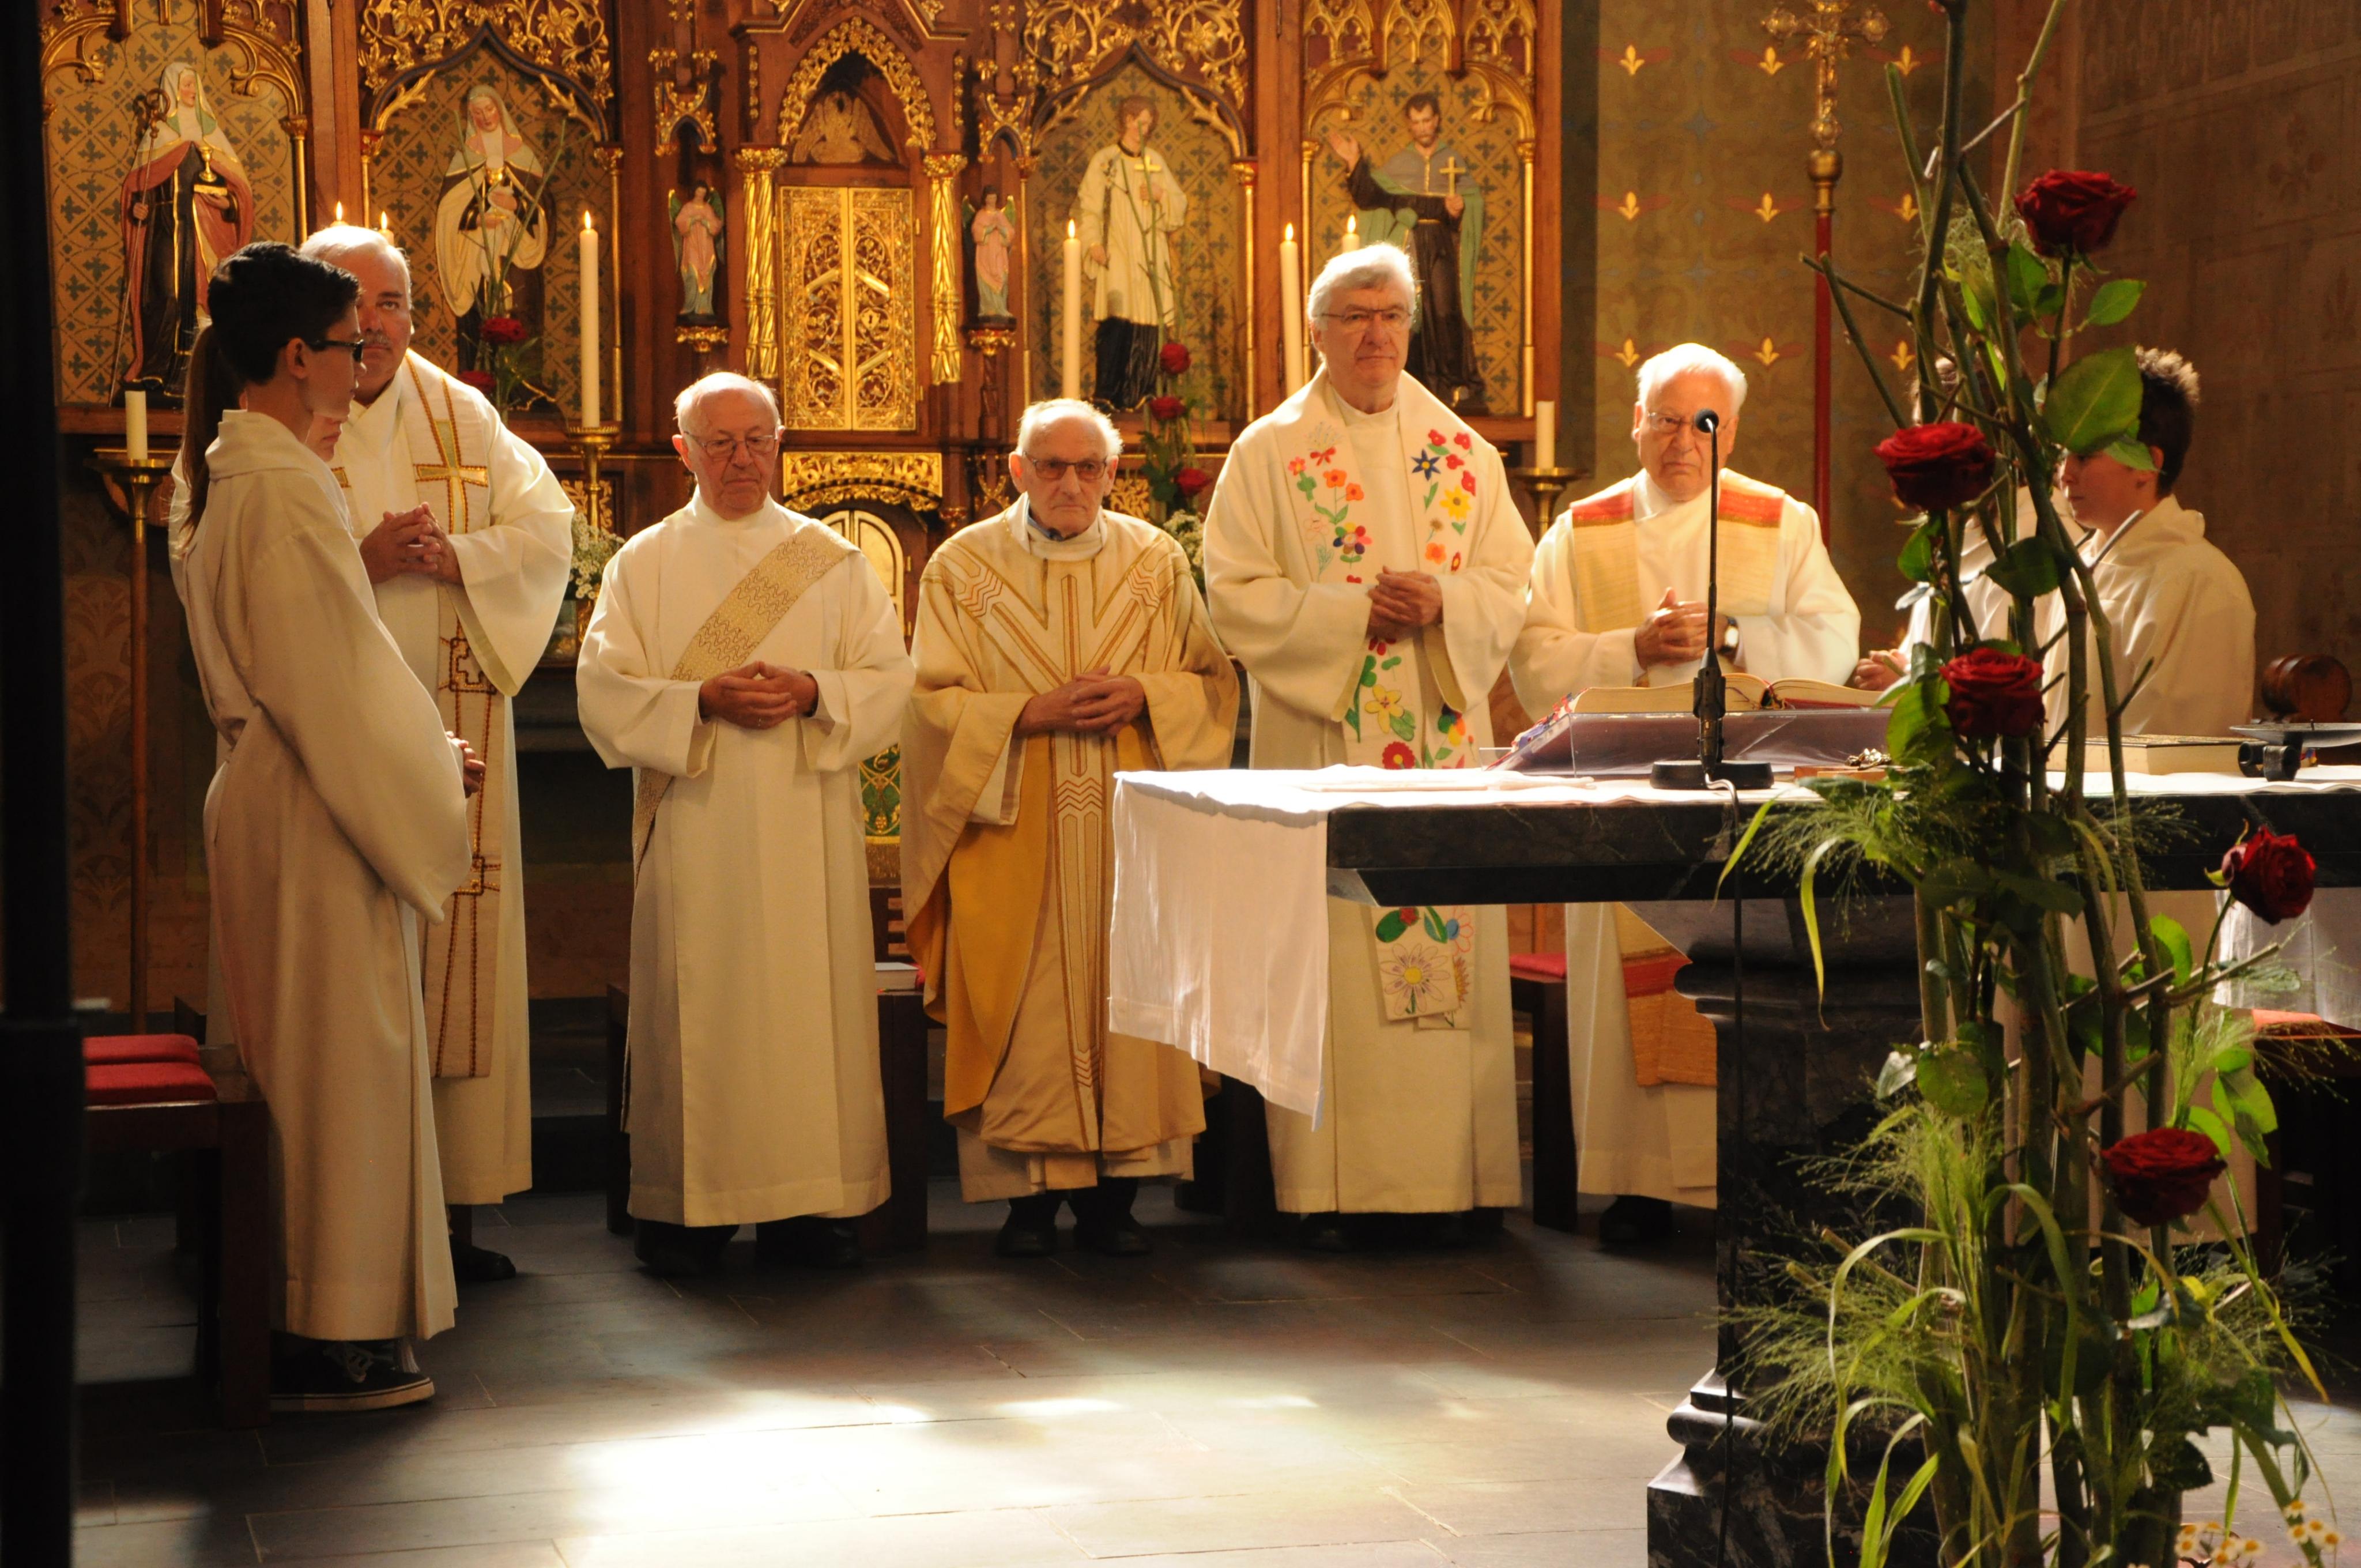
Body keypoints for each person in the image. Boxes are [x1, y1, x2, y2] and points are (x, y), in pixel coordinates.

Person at [175, 242, 476, 1411]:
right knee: (338, 1067)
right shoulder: (288, 487)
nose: (365, 365)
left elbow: (318, 672)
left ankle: (300, 1308)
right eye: (352, 347)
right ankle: (326, 1326)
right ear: (298, 357)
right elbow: (330, 681)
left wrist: (411, 749)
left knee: (298, 1058)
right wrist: (432, 764)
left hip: (284, 786)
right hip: (313, 805)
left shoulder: (234, 471)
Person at [1202, 244, 1532, 1249]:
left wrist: (1447, 603)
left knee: (1444, 945)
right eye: (1353, 316)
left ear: (1410, 327)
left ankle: (1453, 1185)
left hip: (1439, 741)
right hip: (1323, 745)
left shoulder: (1462, 452)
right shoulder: (1269, 452)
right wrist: (1357, 618)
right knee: (1333, 959)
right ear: (1318, 332)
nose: (1375, 334)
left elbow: (1511, 585)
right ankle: (1327, 1190)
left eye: (1390, 314)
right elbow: (1234, 593)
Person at [1508, 343, 1860, 1246]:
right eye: (1665, 420)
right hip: (1620, 794)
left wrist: (1735, 637)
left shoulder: (1779, 522)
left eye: (1703, 425)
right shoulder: (1581, 530)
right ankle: (1635, 1186)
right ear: (1636, 422)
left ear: (1730, 433)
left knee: (1734, 971)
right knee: (1621, 983)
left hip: (1747, 795)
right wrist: (1630, 647)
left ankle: (1735, 1176)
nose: (1681, 442)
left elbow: (1834, 640)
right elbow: (1533, 656)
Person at [577, 373, 914, 1277]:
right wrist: (699, 700)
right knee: (703, 1007)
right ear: (683, 451)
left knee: (806, 1008)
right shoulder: (644, 563)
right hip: (697, 818)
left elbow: (889, 678)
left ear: (779, 445)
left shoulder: (831, 561)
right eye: (719, 442)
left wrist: (813, 691)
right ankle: (688, 1212)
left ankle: (812, 1205)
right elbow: (603, 690)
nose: (740, 459)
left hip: (807, 819)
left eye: (757, 440)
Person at [902, 399, 1239, 1258]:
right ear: (1016, 471)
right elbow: (928, 705)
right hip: (1013, 830)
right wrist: (1025, 713)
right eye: (1050, 466)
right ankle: (1026, 1207)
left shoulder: (1156, 561)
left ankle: (1116, 1203)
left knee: (1133, 1002)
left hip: (1136, 833)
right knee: (1026, 1012)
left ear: (1112, 475)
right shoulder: (962, 568)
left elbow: (1212, 685)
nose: (1070, 483)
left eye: (1089, 467)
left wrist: (1145, 695)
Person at [300, 222, 572, 1281]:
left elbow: (546, 532)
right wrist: (360, 560)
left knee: (455, 952)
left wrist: (454, 552)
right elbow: (235, 552)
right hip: (331, 743)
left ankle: (453, 1214)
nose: (373, 325)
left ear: (417, 315)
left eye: (392, 303)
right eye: (353, 303)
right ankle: (339, 1218)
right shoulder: (280, 414)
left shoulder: (464, 415)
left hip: (457, 734)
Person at [2041, 349, 2253, 737]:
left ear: (2147, 464)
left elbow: (2172, 749)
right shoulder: (2081, 563)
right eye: (2063, 455)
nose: (2065, 474)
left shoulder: (2200, 581)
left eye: (2085, 456)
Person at [1326, 94, 1484, 412]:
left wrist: (1460, 210)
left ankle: (1451, 386)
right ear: (1409, 125)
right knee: (1408, 314)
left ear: (1437, 120)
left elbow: (1471, 204)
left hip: (1440, 248)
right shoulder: (1400, 164)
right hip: (1408, 246)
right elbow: (1373, 197)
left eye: (1427, 121)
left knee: (1444, 311)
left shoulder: (1453, 162)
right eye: (1416, 122)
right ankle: (1412, 384)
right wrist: (1354, 162)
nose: (1423, 128)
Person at [1076, 96, 1187, 411]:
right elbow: (1089, 208)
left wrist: (1160, 195)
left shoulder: (1155, 162)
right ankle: (1108, 394)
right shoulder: (1105, 161)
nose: (1144, 129)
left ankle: (1145, 391)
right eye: (1139, 122)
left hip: (1150, 252)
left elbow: (1178, 207)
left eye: (1149, 124)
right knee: (1118, 319)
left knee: (1149, 323)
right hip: (1118, 249)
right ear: (1126, 120)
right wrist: (1093, 243)